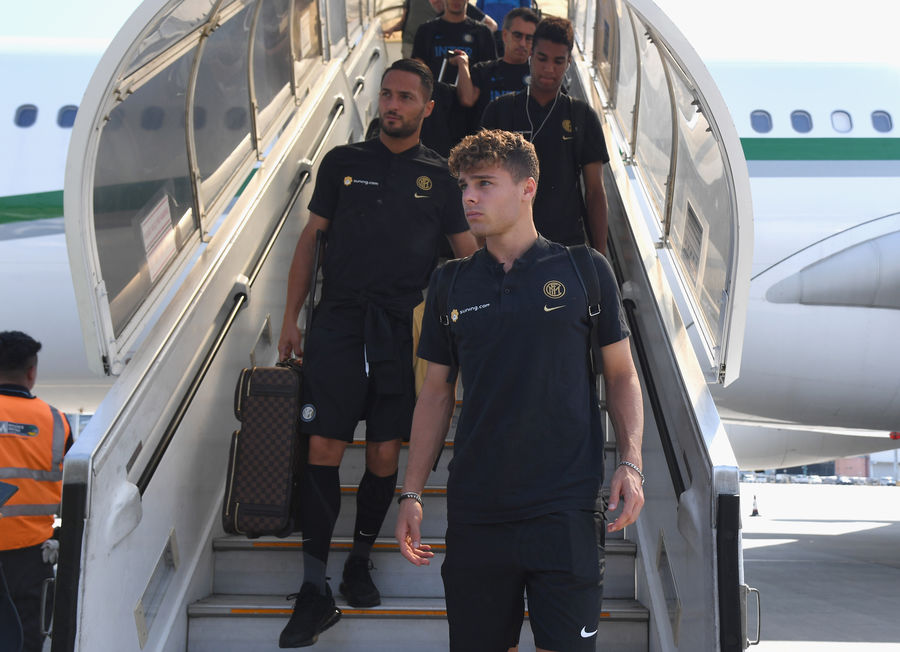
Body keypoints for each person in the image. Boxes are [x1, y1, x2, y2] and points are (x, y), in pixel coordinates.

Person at [395, 129, 645, 651]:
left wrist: (631, 461)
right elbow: (436, 394)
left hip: (565, 508)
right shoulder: (450, 283)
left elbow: (622, 375)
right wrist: (412, 492)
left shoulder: (585, 269)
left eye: (484, 184)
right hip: (478, 509)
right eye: (465, 185)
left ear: (528, 187)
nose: (469, 197)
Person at [276, 58, 478, 648]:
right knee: (323, 445)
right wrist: (290, 318)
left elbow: (468, 258)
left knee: (386, 453)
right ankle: (313, 588)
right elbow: (310, 239)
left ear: (427, 108)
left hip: (400, 329)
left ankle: (359, 559)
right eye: (387, 94)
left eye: (405, 97)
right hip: (338, 322)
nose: (392, 104)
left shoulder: (441, 178)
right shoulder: (342, 162)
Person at [481, 16, 612, 254]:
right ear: (531, 55)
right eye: (542, 58)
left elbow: (594, 191)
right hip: (508, 244)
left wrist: (600, 255)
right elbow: (483, 180)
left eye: (558, 61)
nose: (549, 68)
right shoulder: (500, 111)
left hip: (565, 246)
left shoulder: (582, 116)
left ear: (568, 62)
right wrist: (482, 249)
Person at [0, 331, 72, 652]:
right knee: (27, 640)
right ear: (32, 372)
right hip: (31, 558)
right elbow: (75, 487)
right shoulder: (57, 422)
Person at [455, 7, 539, 126]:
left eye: (529, 38)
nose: (522, 43)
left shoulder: (540, 77)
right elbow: (467, 100)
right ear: (505, 35)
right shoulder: (483, 70)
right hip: (487, 136)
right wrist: (463, 64)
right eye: (517, 35)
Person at [411, 0, 497, 86]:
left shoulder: (482, 32)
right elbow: (418, 67)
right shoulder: (426, 30)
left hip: (470, 92)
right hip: (434, 91)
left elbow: (490, 71)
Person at [385, 0, 497, 59]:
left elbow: (492, 25)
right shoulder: (425, 31)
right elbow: (418, 70)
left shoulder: (482, 32)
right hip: (413, 42)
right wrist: (392, 29)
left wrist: (478, 36)